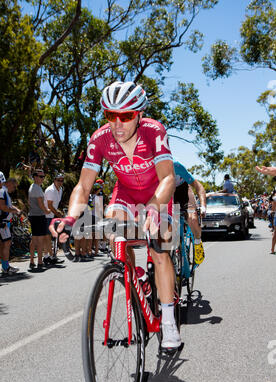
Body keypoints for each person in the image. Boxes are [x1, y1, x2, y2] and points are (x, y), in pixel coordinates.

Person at [51, 81, 181, 349]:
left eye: (126, 116)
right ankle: (135, 280)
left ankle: (167, 322)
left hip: (157, 194)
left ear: (139, 115)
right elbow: (84, 186)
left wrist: (154, 209)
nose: (118, 124)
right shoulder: (100, 139)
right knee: (114, 233)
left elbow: (167, 177)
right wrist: (70, 218)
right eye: (111, 116)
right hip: (125, 194)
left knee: (158, 250)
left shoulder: (154, 131)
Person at [173, 160, 206, 265]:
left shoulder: (176, 166)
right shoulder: (150, 168)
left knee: (192, 218)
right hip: (167, 191)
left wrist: (203, 206)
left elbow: (198, 186)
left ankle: (197, 242)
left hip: (183, 190)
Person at [0, 177, 21, 275]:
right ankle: (6, 267)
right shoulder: (1, 191)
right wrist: (14, 211)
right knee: (6, 243)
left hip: (4, 221)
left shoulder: (4, 192)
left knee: (3, 243)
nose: (14, 188)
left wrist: (16, 209)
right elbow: (2, 207)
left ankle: (5, 266)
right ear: (9, 183)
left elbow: (8, 205)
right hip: (3, 222)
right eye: (14, 186)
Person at [28, 169, 51, 271]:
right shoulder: (36, 188)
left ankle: (32, 261)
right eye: (41, 176)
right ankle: (40, 262)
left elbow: (29, 202)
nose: (42, 178)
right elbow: (41, 204)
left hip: (33, 215)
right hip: (38, 216)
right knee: (40, 240)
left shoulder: (33, 187)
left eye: (43, 176)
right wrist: (47, 211)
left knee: (34, 239)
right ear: (35, 177)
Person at [43, 172, 64, 265]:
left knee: (49, 236)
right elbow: (50, 205)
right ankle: (50, 256)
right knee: (47, 236)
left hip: (51, 215)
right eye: (58, 180)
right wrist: (57, 213)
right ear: (54, 180)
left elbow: (55, 204)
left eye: (62, 180)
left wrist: (57, 213)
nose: (60, 182)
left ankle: (47, 256)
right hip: (45, 215)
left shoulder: (60, 190)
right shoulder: (50, 190)